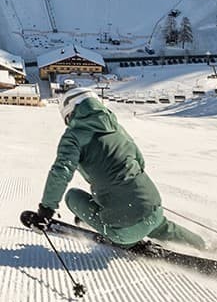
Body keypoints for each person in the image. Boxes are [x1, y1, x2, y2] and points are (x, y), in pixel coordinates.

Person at [27, 84, 205, 249]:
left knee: (73, 196)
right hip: (153, 206)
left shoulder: (73, 136)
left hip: (125, 225)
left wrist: (46, 210)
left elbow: (61, 172)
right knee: (159, 224)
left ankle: (128, 241)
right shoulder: (115, 127)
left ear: (69, 112)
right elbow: (140, 161)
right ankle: (204, 246)